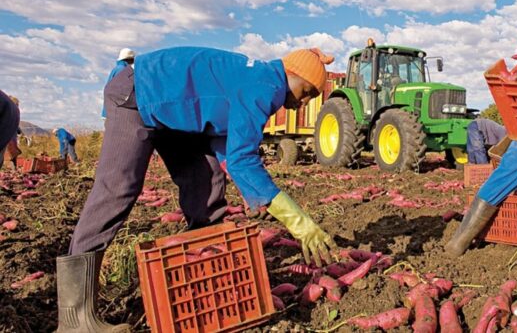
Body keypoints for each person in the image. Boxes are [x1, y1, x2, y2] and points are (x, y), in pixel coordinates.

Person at [56, 47, 339, 332]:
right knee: (118, 189)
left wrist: (251, 187)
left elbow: (228, 147)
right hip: (138, 94)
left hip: (175, 118)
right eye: (306, 92)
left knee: (206, 182)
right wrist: (299, 222)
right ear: (292, 73)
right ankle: (75, 319)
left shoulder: (260, 82)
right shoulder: (264, 86)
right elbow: (243, 160)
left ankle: (200, 279)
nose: (303, 103)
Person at [102, 48, 136, 118]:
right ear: (129, 59)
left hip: (110, 110)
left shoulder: (117, 69)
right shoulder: (124, 70)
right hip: (116, 112)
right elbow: (123, 92)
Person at [0, 90, 21, 157]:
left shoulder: (8, 106)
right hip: (9, 144)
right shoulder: (15, 110)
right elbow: (19, 130)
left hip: (8, 144)